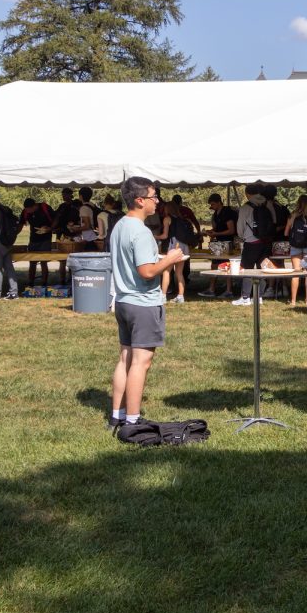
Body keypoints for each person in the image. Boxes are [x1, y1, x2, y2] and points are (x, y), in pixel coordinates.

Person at [107, 176, 185, 431]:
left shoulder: (120, 225)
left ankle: (116, 415)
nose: (157, 201)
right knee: (141, 362)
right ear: (140, 201)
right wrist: (171, 259)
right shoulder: (140, 231)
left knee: (125, 359)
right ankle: (133, 420)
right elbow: (147, 272)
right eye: (153, 197)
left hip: (124, 301)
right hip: (142, 303)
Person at [233, 183, 272, 305]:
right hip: (266, 242)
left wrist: (241, 236)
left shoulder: (246, 207)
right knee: (262, 268)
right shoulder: (267, 204)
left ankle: (245, 298)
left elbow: (240, 226)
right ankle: (259, 297)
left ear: (248, 194)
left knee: (246, 269)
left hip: (251, 242)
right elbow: (273, 222)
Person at [199, 193, 237, 298]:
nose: (211, 207)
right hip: (218, 244)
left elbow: (231, 230)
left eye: (213, 204)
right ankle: (212, 289)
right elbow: (216, 228)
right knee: (214, 265)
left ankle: (229, 290)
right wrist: (210, 232)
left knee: (227, 266)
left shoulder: (227, 213)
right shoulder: (216, 214)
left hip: (227, 243)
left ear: (219, 202)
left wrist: (216, 234)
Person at [285, 194, 307, 305]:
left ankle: (293, 301)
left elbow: (286, 233)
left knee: (296, 273)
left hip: (295, 246)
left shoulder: (293, 215)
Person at [160, 200, 195, 303]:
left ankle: (163, 296)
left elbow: (165, 236)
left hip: (172, 247)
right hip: (183, 247)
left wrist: (153, 235)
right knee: (179, 273)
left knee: (166, 272)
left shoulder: (167, 219)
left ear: (167, 209)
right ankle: (180, 296)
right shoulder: (182, 219)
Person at [20, 196, 55, 286]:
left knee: (44, 262)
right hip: (33, 239)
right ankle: (30, 282)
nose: (28, 212)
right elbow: (21, 223)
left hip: (45, 239)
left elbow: (56, 219)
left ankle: (44, 283)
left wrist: (49, 228)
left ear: (34, 206)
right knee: (32, 262)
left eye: (29, 210)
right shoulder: (25, 212)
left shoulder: (45, 208)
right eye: (26, 210)